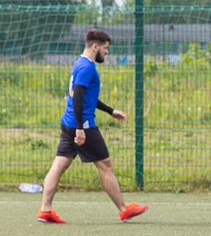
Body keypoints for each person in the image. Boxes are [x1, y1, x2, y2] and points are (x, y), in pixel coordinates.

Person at [36, 29, 148, 225]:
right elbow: (78, 97)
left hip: (68, 122)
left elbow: (86, 97)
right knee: (105, 165)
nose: (106, 52)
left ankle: (45, 210)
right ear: (95, 46)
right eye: (105, 49)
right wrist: (81, 128)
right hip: (83, 125)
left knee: (60, 164)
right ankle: (124, 210)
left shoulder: (80, 64)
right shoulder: (88, 68)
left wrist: (110, 111)